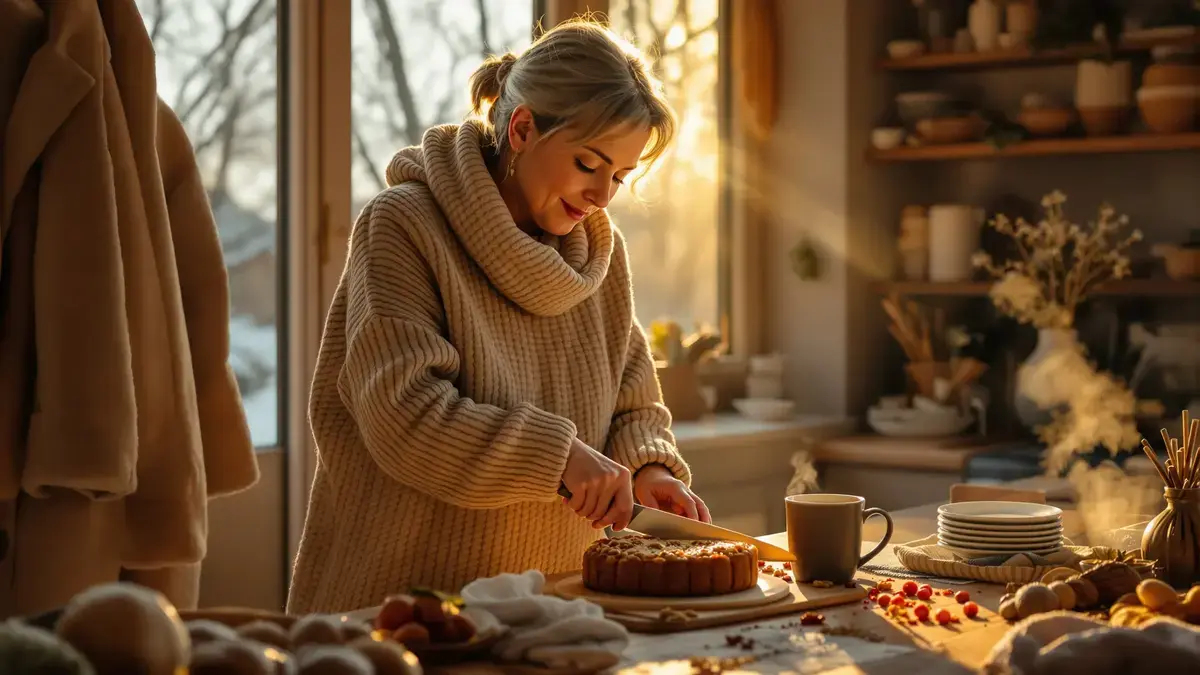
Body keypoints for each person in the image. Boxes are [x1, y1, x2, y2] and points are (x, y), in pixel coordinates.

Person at [287, 18, 710, 614]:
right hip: (409, 609)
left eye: (618, 176)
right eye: (588, 164)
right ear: (522, 128)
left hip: (555, 609)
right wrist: (559, 457)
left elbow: (633, 403)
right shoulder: (404, 225)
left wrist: (647, 469)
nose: (601, 196)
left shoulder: (599, 257)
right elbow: (404, 418)